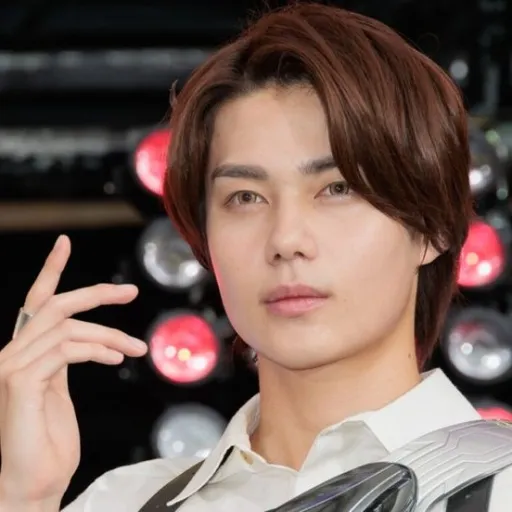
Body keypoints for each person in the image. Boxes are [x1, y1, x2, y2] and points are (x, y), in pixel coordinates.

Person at [0, 2, 510, 511]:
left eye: (337, 188)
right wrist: (27, 495)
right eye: (245, 197)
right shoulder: (123, 501)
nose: (285, 239)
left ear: (432, 226)